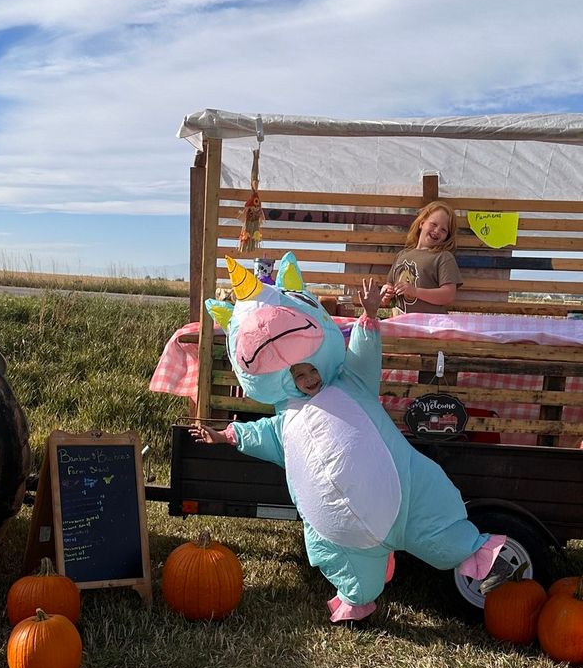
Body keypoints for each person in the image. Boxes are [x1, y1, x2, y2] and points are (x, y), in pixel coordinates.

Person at [190, 255, 506, 624]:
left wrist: (370, 315)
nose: (307, 379)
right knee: (354, 571)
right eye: (297, 376)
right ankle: (357, 600)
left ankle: (477, 555)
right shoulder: (284, 420)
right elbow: (256, 434)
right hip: (343, 533)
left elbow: (363, 351)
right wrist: (224, 435)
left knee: (437, 527)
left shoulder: (351, 382)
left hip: (405, 500)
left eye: (309, 370)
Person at [382, 199, 462, 314]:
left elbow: (448, 295)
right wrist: (386, 293)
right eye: (434, 224)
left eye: (443, 230)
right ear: (422, 223)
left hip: (429, 326)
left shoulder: (443, 257)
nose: (437, 231)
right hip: (400, 324)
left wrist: (415, 291)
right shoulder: (402, 255)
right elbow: (389, 285)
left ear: (447, 237)